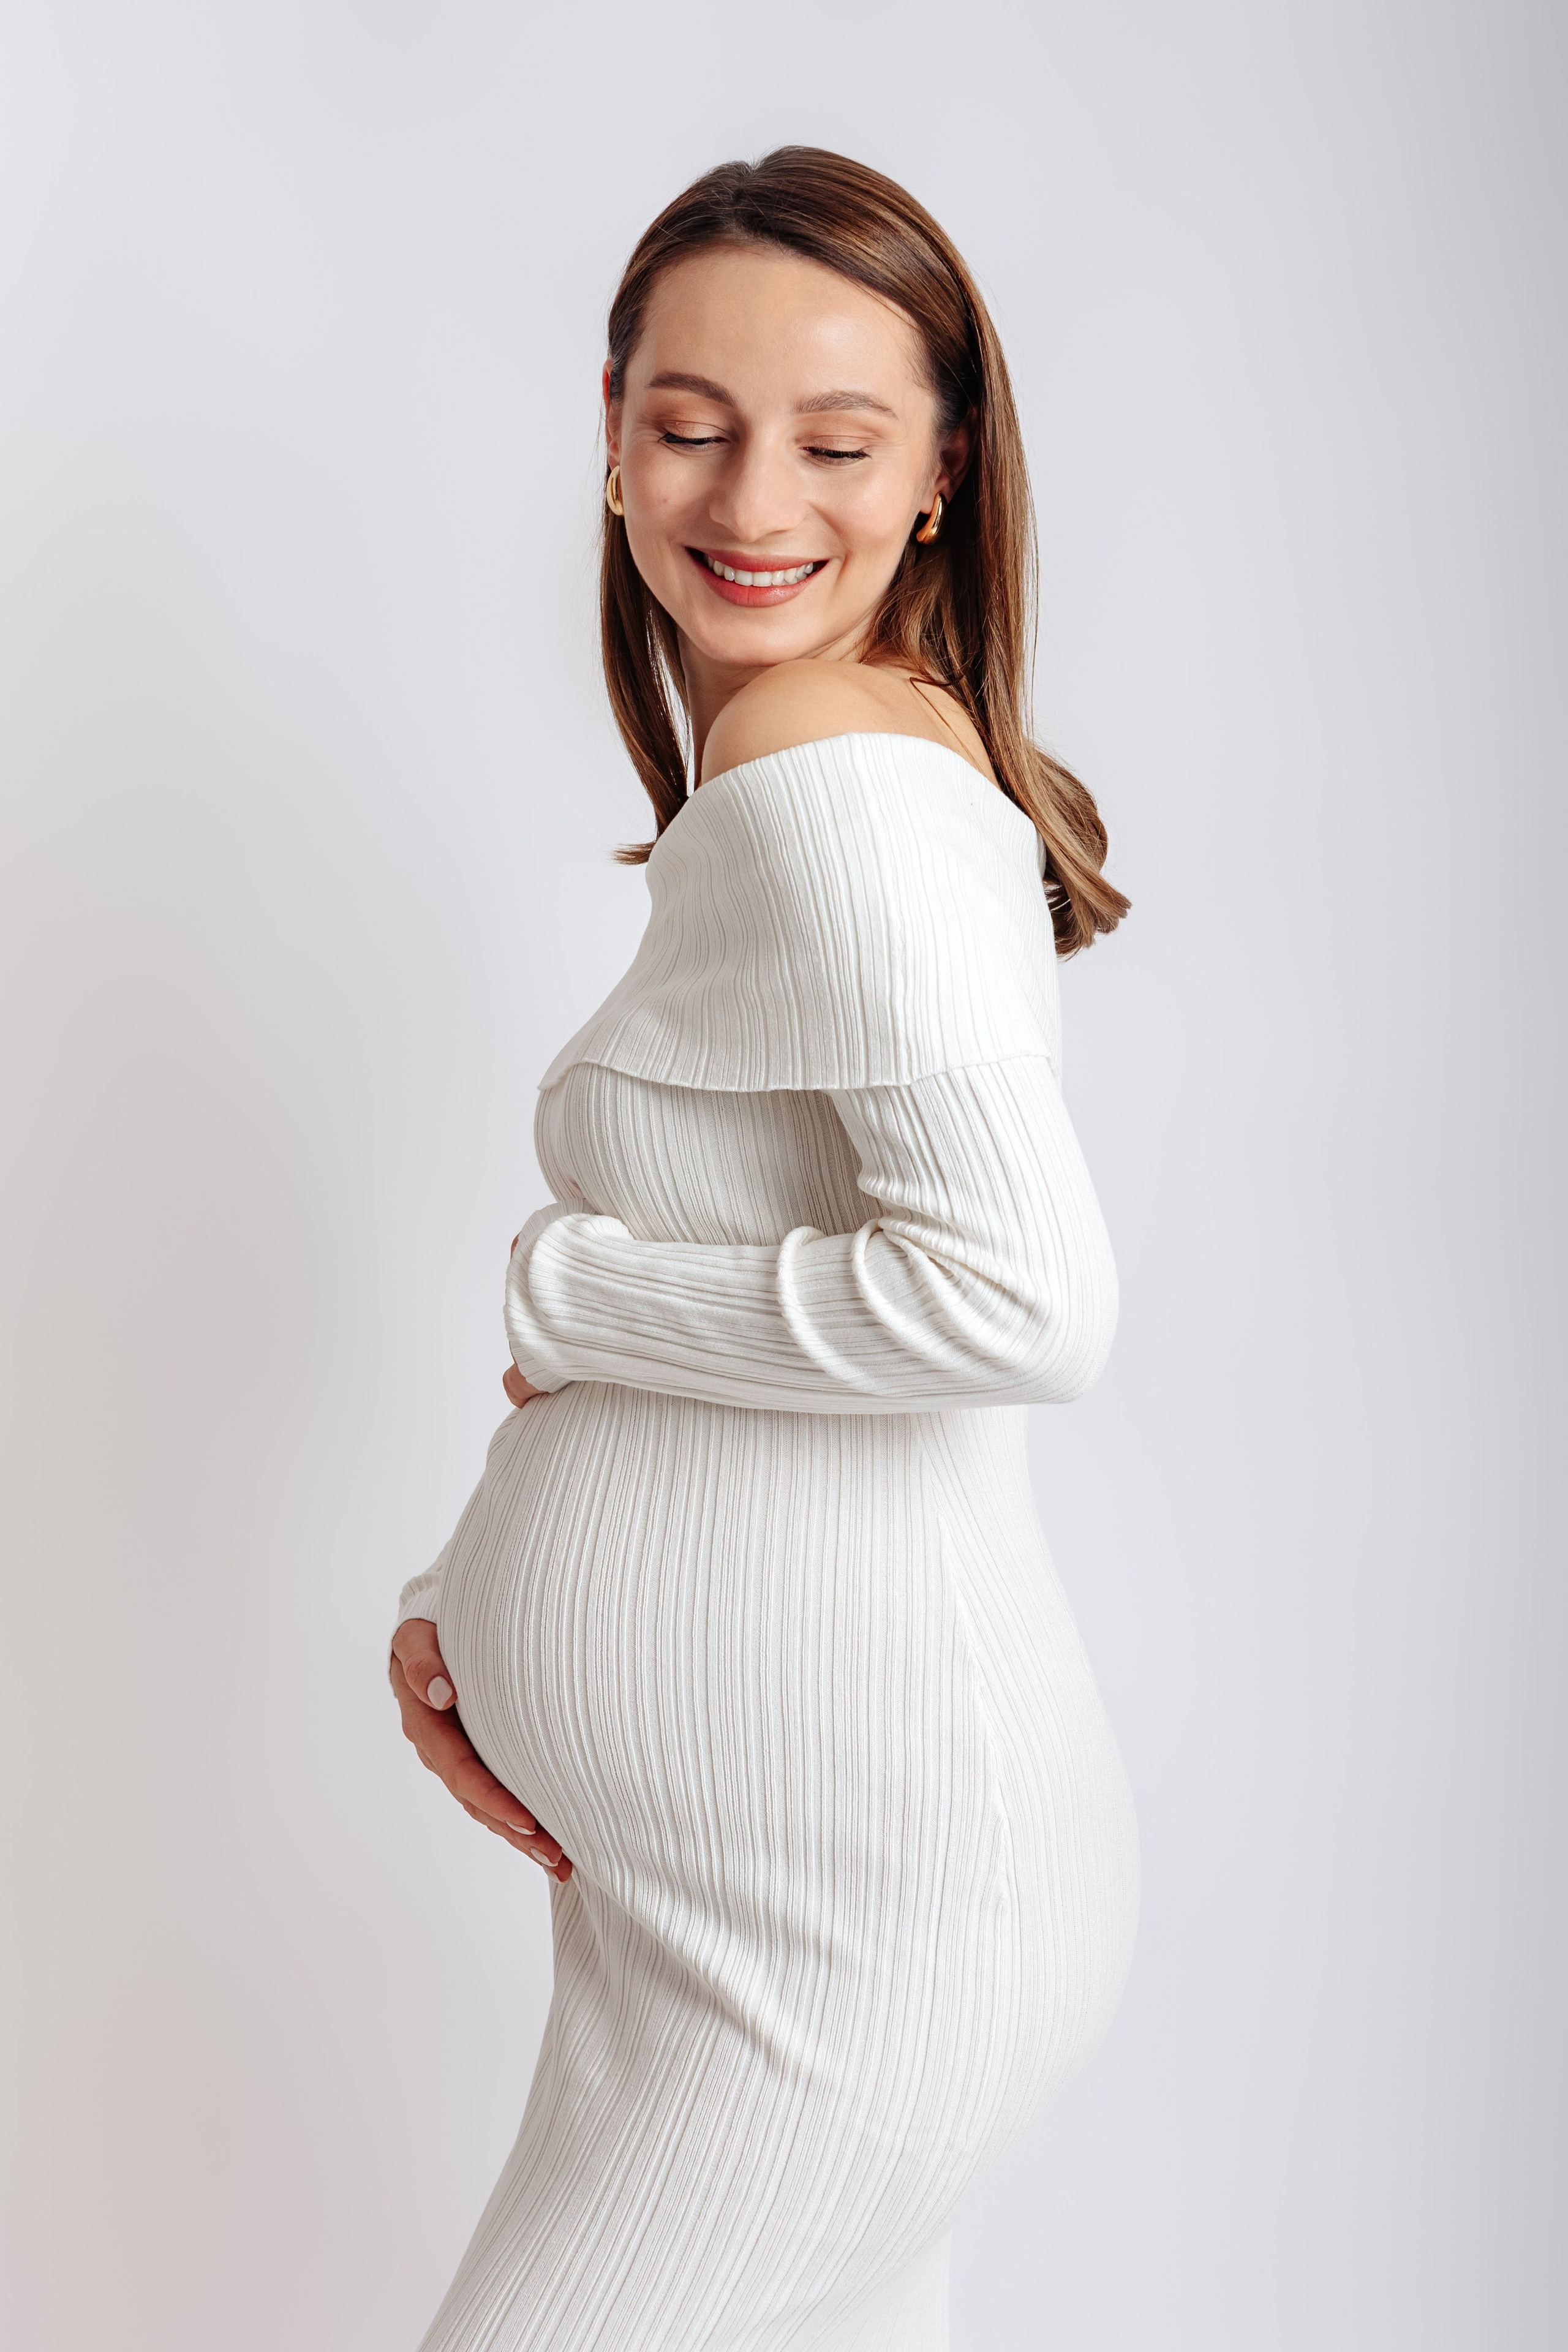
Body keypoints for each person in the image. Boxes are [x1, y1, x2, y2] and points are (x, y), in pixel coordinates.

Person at [387, 145, 1140, 2352]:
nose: (749, 497)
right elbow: (787, 1257)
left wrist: (570, 1293)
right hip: (753, 1884)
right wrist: (481, 1605)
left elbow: (1020, 1297)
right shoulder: (818, 764)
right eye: (690, 421)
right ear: (610, 431)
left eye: (838, 437)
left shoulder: (824, 763)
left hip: (847, 1923)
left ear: (941, 476)